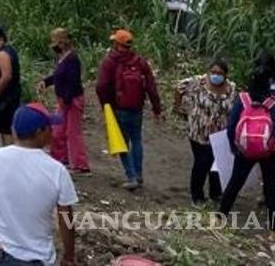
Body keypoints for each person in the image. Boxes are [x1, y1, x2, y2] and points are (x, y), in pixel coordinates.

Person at [0, 104, 78, 266]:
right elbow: (65, 217)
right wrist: (69, 256)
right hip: (35, 258)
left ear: (14, 130)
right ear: (39, 133)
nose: (52, 131)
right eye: (49, 128)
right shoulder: (57, 171)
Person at [219, 52, 275, 230]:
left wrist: (234, 146)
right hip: (271, 150)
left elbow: (232, 126)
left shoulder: (243, 100)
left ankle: (221, 215)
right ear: (268, 83)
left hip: (245, 149)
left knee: (235, 182)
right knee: (273, 188)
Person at [94, 29, 162, 190]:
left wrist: (106, 105)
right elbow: (151, 86)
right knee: (137, 139)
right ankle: (138, 174)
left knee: (122, 143)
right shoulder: (139, 62)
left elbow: (101, 86)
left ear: (117, 44)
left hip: (119, 108)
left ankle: (131, 177)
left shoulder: (110, 61)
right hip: (137, 108)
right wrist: (156, 108)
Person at [172, 58, 236, 204]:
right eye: (213, 72)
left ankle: (216, 193)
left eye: (219, 73)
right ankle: (197, 195)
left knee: (217, 163)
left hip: (220, 134)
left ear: (225, 75)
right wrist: (179, 108)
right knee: (202, 162)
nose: (215, 75)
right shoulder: (197, 82)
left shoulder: (231, 88)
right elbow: (178, 88)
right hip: (199, 131)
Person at [38, 29, 89, 174]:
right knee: (58, 130)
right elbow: (58, 76)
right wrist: (46, 82)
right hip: (63, 100)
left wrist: (66, 100)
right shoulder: (61, 58)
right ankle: (60, 158)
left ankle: (80, 164)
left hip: (72, 100)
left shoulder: (72, 60)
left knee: (73, 132)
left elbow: (73, 82)